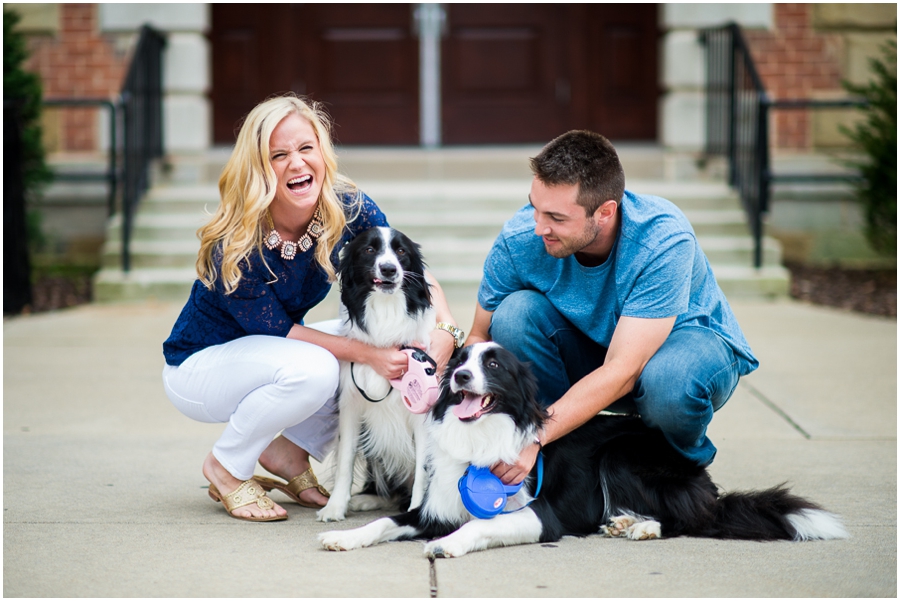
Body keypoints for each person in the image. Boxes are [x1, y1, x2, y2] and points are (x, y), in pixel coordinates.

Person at [162, 94, 460, 522]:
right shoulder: (238, 238)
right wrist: (370, 354)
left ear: (323, 152)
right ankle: (225, 468)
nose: (297, 164)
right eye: (278, 155)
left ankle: (290, 454)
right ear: (258, 167)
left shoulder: (346, 206)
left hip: (270, 353)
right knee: (322, 365)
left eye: (306, 148)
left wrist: (445, 331)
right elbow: (282, 330)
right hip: (201, 366)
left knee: (358, 346)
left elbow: (403, 264)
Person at [466, 130, 758, 484]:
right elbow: (478, 336)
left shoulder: (661, 239)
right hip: (597, 354)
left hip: (684, 349)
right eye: (534, 206)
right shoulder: (520, 239)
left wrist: (534, 433)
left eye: (557, 218)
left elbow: (624, 370)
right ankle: (563, 463)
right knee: (512, 315)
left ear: (604, 212)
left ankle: (682, 476)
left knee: (667, 382)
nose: (539, 227)